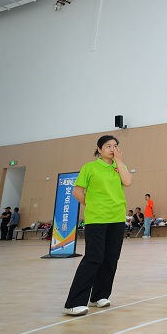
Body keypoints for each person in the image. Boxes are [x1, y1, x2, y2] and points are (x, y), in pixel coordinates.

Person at [62, 135, 132, 316]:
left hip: (117, 218)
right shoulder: (90, 167)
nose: (112, 149)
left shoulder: (119, 166)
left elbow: (128, 182)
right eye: (108, 146)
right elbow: (77, 191)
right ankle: (74, 302)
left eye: (115, 146)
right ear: (99, 149)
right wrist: (93, 204)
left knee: (111, 258)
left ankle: (99, 296)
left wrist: (119, 162)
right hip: (97, 219)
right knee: (94, 258)